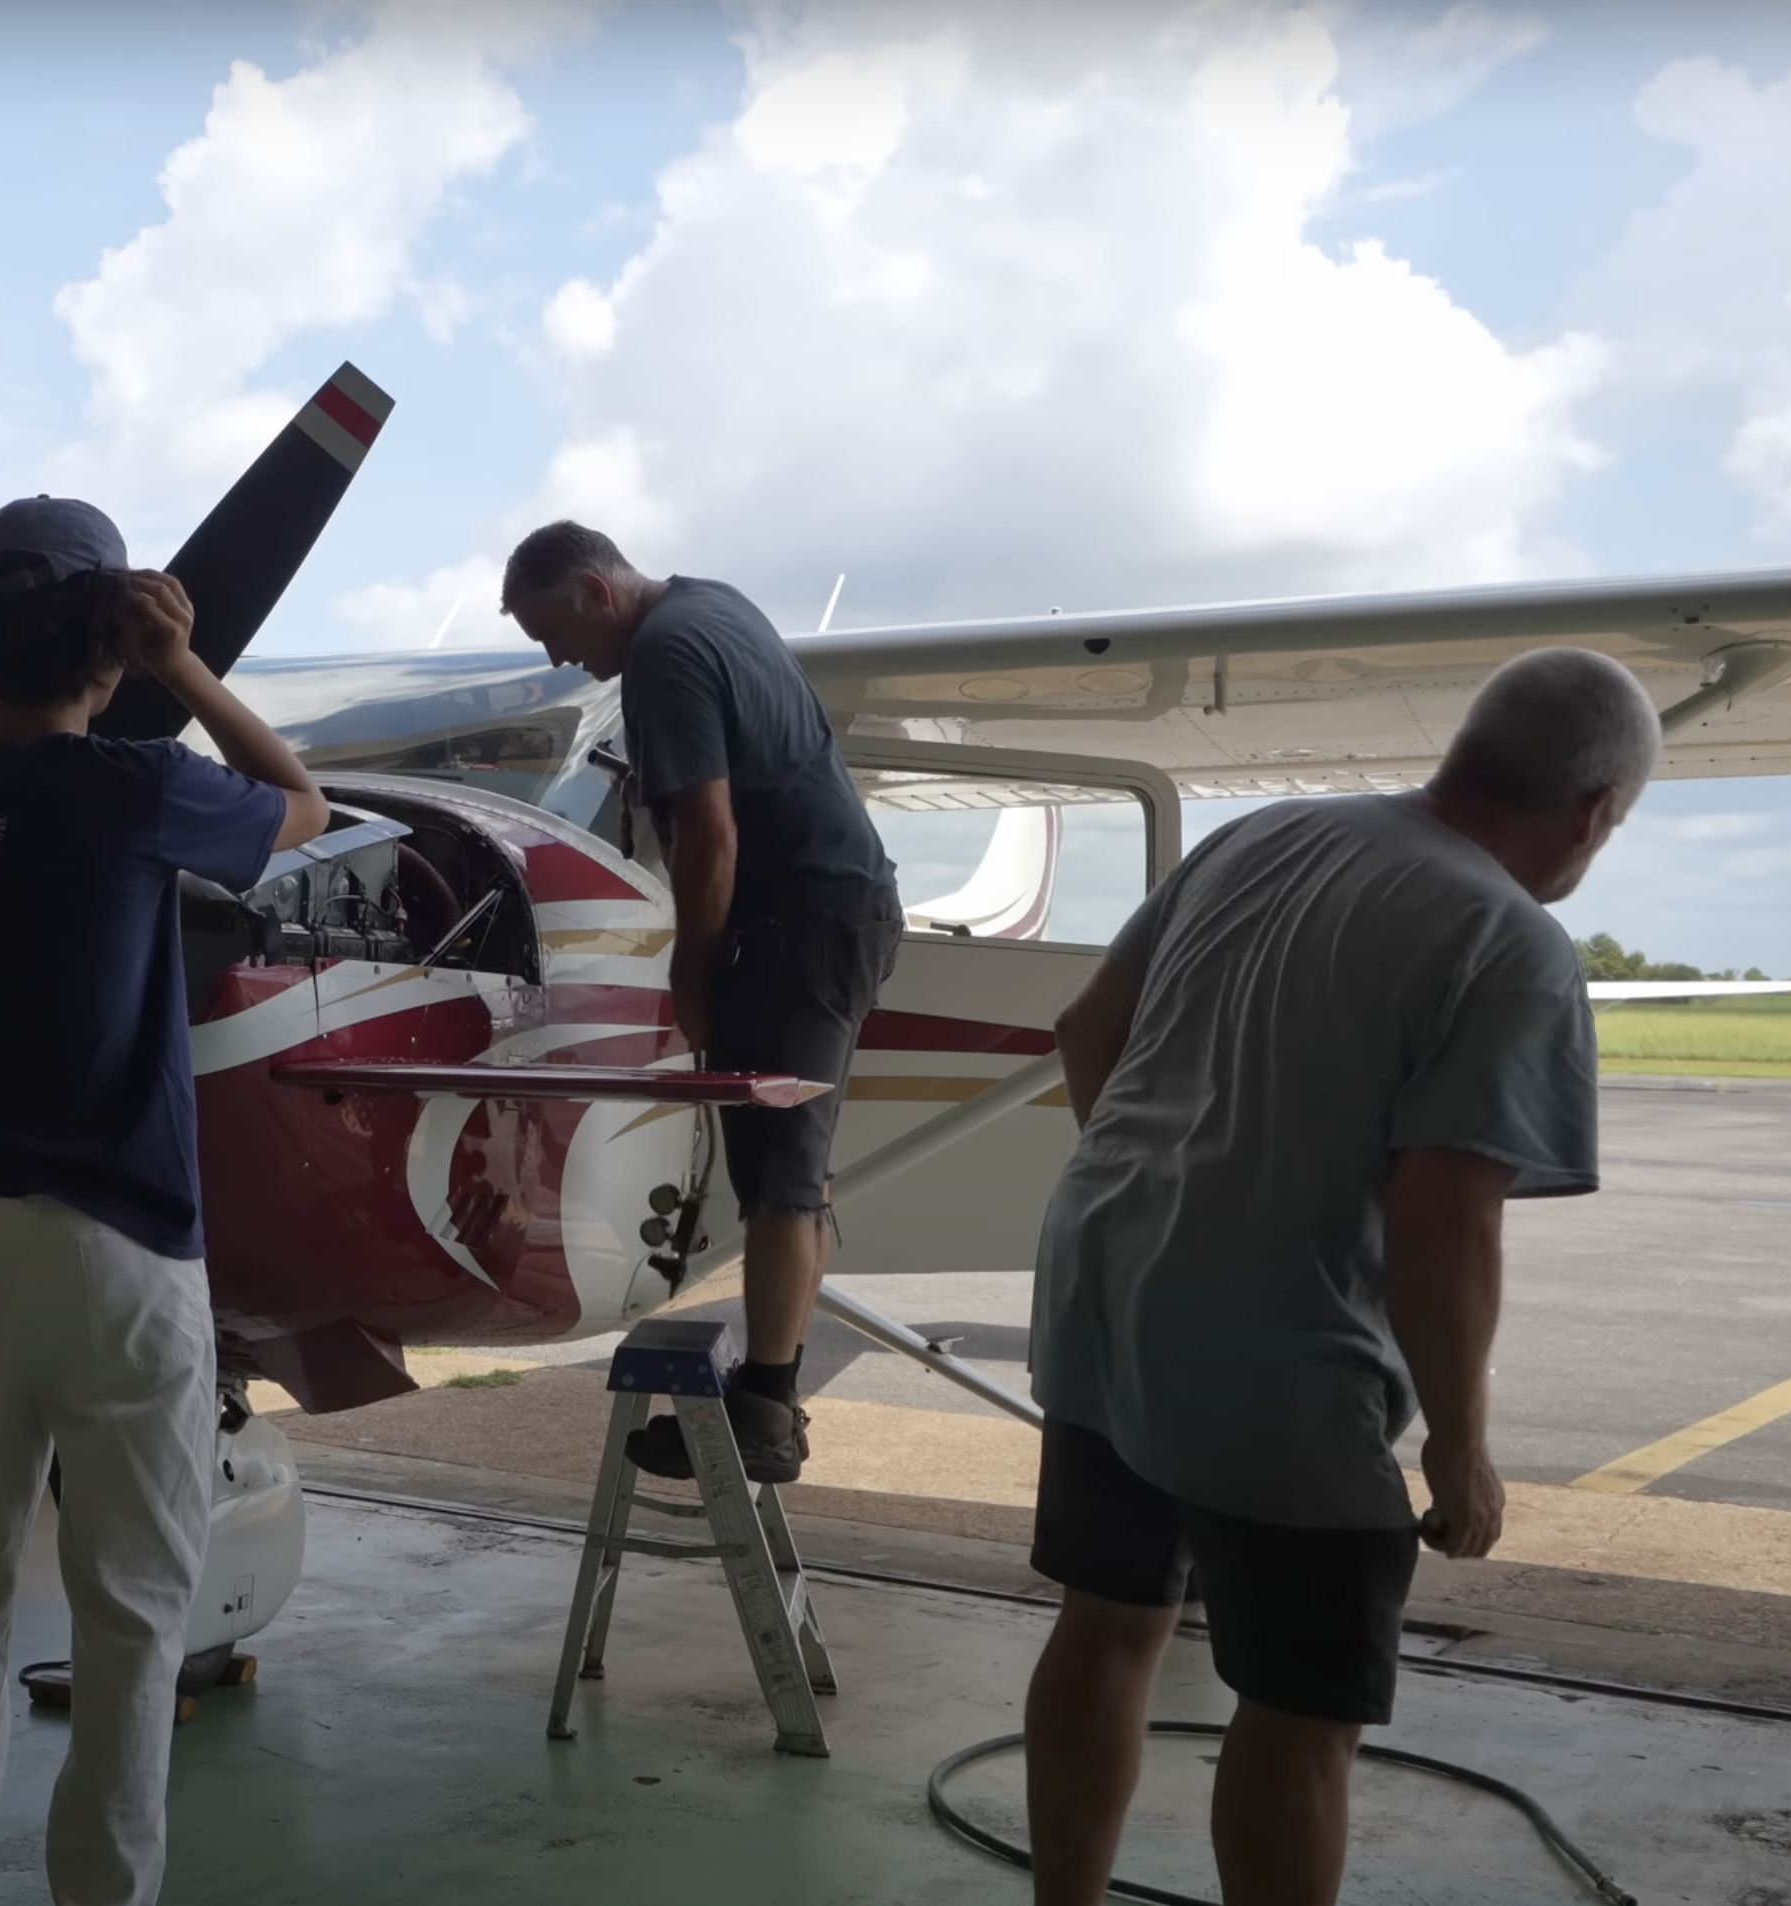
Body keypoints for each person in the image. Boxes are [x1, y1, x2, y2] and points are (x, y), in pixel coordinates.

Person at [1018, 647, 1659, 1906]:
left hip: (1103, 1291)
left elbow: (1087, 1029)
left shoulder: (1266, 836)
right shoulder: (1508, 940)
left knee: (1106, 1624)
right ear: (1594, 813)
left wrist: (1170, 1196)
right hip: (1282, 1362)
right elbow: (1443, 1222)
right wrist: (1461, 1444)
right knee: (1301, 1712)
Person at [0, 497, 329, 1906]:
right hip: (132, 1256)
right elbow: (298, 802)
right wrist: (187, 667)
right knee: (132, 1610)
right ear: (110, 649)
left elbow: (4, 743)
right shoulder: (138, 790)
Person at [501, 520, 900, 1484]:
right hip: (838, 911)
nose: (563, 659)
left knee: (778, 1178)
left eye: (556, 633)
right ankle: (773, 1390)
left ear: (597, 593)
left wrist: (691, 977)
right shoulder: (714, 604)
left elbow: (712, 842)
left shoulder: (662, 654)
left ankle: (766, 1411)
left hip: (796, 925)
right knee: (793, 1169)